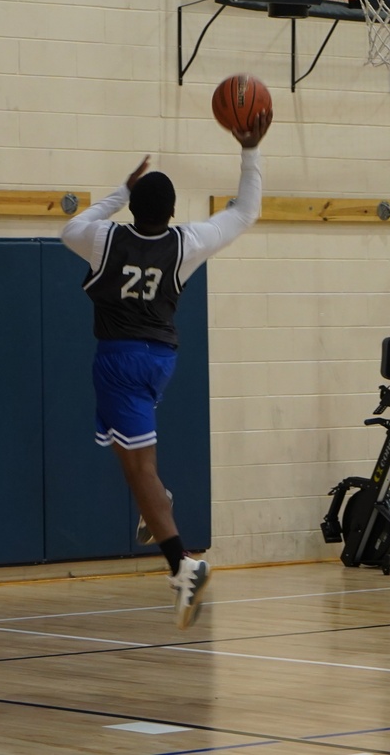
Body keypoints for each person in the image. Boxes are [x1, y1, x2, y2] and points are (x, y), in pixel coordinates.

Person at [61, 110, 271, 629]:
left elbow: (73, 226)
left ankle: (184, 566)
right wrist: (249, 150)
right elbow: (245, 212)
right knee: (139, 466)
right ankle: (163, 512)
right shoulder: (187, 243)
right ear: (174, 210)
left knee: (138, 472)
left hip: (120, 360)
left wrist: (118, 190)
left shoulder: (103, 241)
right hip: (162, 359)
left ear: (133, 208)